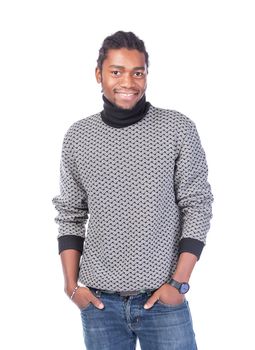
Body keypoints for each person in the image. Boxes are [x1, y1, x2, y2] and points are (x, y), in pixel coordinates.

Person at [52, 30, 214, 350]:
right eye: (117, 71)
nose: (129, 82)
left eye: (137, 72)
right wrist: (71, 286)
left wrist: (178, 283)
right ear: (99, 74)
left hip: (163, 300)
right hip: (99, 304)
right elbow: (70, 213)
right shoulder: (78, 136)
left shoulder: (177, 127)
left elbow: (198, 204)